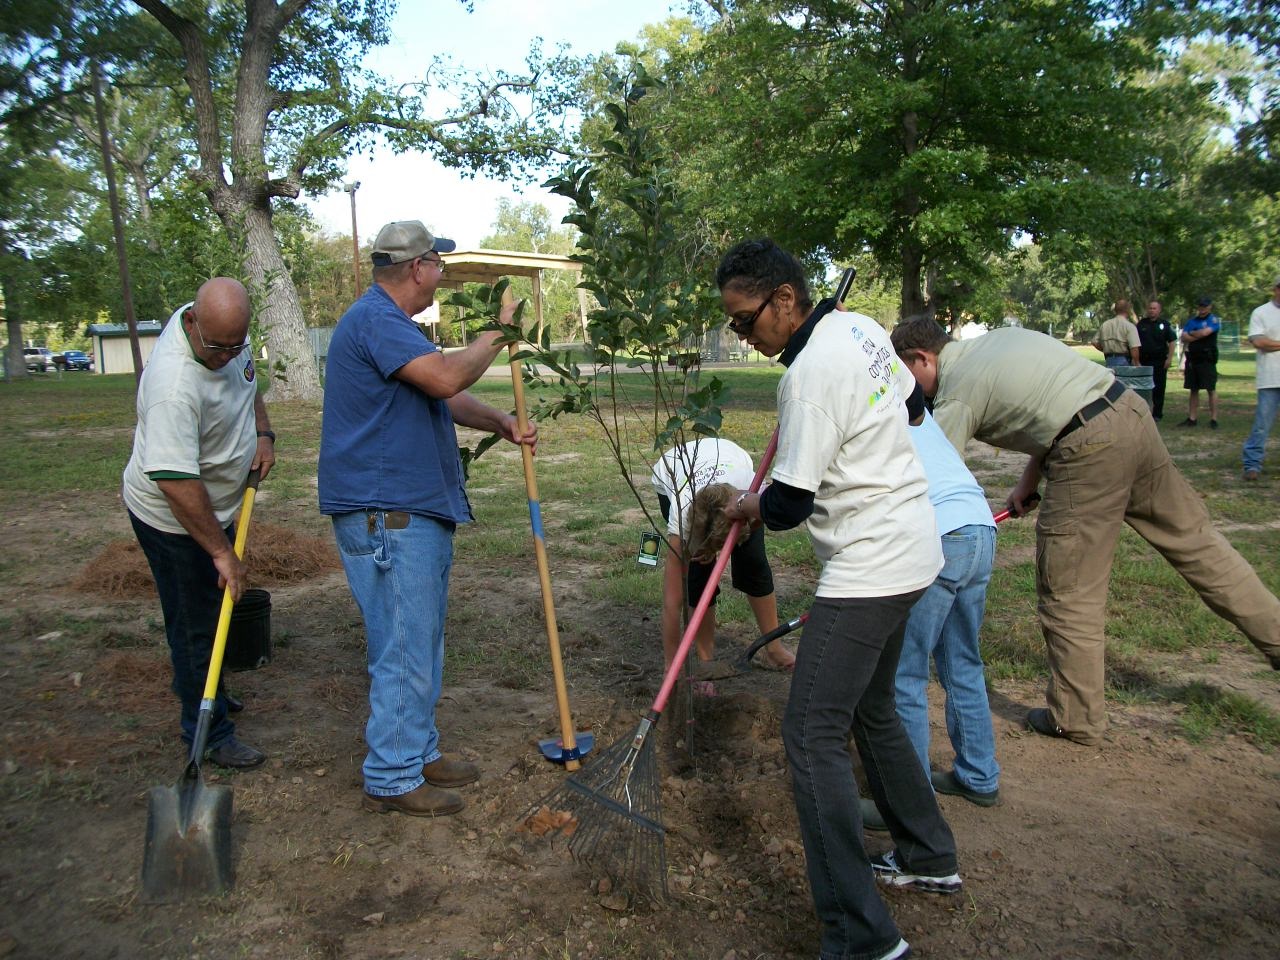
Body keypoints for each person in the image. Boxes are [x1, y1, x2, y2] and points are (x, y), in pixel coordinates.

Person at [720, 239, 959, 960]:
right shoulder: (857, 329)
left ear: (785, 300)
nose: (742, 334)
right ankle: (927, 855)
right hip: (915, 550)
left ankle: (860, 934)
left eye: (744, 319)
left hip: (872, 568)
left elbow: (790, 505)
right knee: (872, 708)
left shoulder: (813, 370)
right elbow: (918, 405)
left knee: (811, 733)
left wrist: (746, 504)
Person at [890, 318, 1280, 749]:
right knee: (1200, 545)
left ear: (921, 358)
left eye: (905, 374)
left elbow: (933, 472)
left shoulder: (958, 387)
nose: (908, 390)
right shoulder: (999, 342)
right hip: (1128, 414)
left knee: (1069, 588)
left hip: (1089, 451)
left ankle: (1075, 717)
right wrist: (1027, 483)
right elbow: (1056, 404)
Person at [318, 220, 536, 818]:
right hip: (388, 516)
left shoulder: (392, 328)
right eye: (437, 263)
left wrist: (500, 422)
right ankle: (391, 775)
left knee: (422, 643)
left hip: (408, 512)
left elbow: (440, 391)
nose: (441, 272)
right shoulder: (373, 321)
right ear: (418, 268)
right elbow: (445, 376)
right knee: (403, 647)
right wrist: (499, 329)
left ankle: (416, 750)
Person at [123, 277, 275, 769]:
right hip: (173, 516)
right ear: (192, 323)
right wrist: (221, 552)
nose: (227, 356)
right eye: (217, 348)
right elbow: (174, 481)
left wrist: (264, 433)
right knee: (193, 622)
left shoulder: (226, 336)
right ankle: (206, 730)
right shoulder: (172, 385)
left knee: (213, 609)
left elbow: (249, 383)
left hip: (218, 503)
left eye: (236, 345)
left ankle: (209, 684)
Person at [651, 439, 794, 686]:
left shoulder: (752, 490)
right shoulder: (681, 516)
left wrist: (748, 528)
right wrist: (669, 667)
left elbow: (769, 515)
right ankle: (706, 663)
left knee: (753, 562)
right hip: (673, 468)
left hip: (730, 461)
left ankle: (773, 648)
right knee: (698, 573)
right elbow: (671, 603)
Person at [1242, 277, 1280, 481]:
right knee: (1262, 424)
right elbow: (1259, 341)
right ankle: (1252, 464)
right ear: (1276, 289)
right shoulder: (1261, 312)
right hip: (1270, 378)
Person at [1179, 296, 1221, 428]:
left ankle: (1213, 419)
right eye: (1200, 306)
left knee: (1211, 389)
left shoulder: (1213, 320)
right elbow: (1183, 337)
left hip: (1207, 359)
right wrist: (1195, 334)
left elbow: (1205, 333)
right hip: (1193, 359)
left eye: (1205, 306)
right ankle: (1192, 418)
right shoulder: (1192, 321)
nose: (1202, 309)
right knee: (1193, 389)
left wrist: (1192, 334)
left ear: (1209, 307)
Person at [1136, 300, 1177, 420]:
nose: (1151, 310)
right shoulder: (1141, 324)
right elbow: (1135, 343)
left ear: (1159, 310)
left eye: (1154, 308)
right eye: (1150, 308)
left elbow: (1172, 341)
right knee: (1144, 388)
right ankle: (1144, 412)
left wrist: (1169, 358)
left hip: (1159, 361)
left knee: (1159, 388)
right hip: (1144, 361)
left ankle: (1157, 414)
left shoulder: (1164, 324)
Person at [1092, 299, 1140, 368]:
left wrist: (1105, 349)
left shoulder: (1105, 324)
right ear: (1127, 310)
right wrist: (1136, 363)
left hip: (1109, 359)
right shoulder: (1129, 326)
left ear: (1115, 310)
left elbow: (1094, 342)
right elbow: (1134, 348)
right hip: (1124, 360)